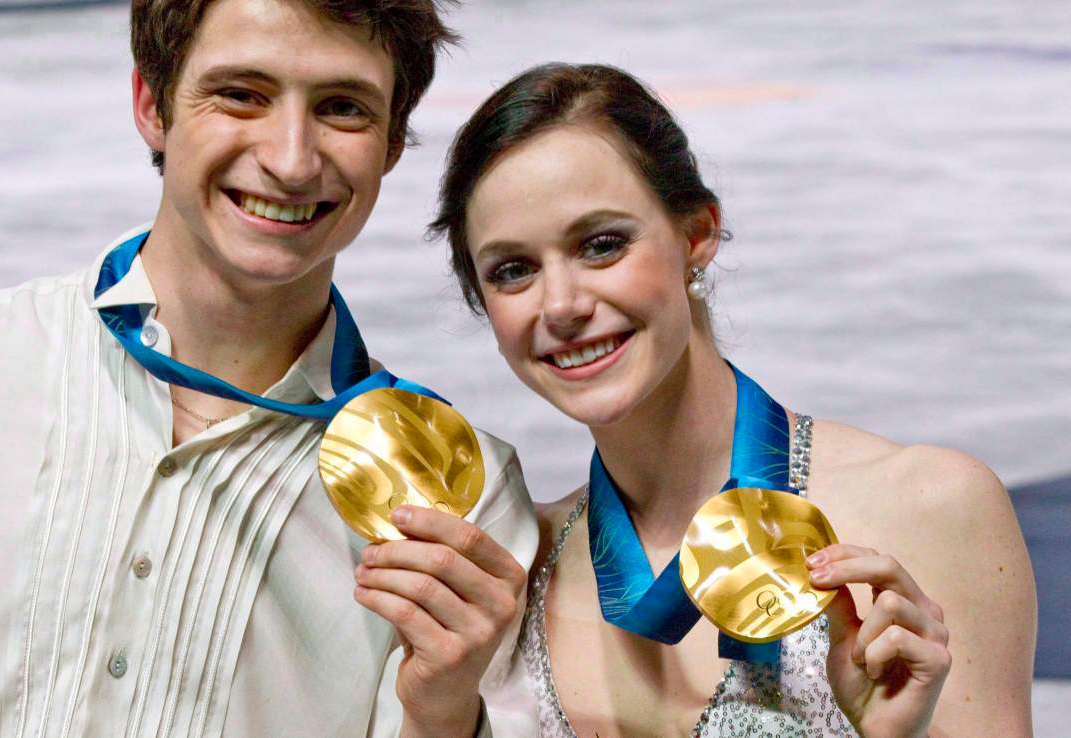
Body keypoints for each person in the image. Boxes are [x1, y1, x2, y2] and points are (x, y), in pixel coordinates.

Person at [0, 0, 537, 738]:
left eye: (342, 108)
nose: (291, 158)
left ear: (393, 145)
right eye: (241, 95)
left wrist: (444, 712)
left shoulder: (454, 495)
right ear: (153, 103)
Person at [429, 62, 1037, 737]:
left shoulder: (929, 507)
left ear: (697, 235)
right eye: (513, 270)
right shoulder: (518, 563)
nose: (563, 305)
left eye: (601, 245)